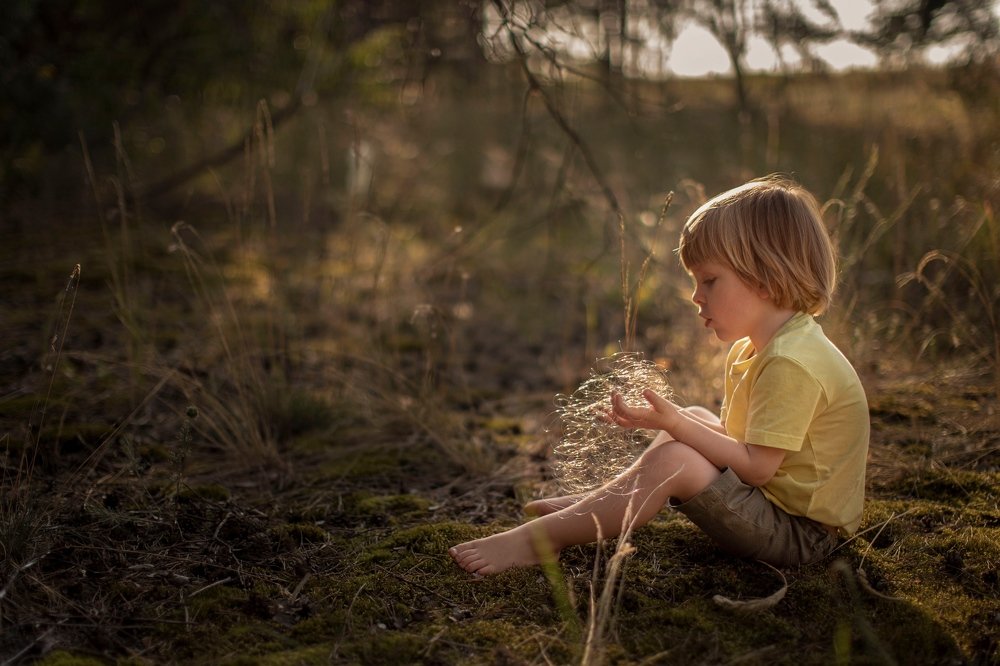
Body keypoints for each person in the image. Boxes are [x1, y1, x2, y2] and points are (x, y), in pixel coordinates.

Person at [449, 176, 870, 575]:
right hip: (775, 507)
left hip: (803, 537)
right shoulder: (758, 348)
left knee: (677, 455)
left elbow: (757, 469)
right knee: (697, 418)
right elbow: (742, 445)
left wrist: (674, 425)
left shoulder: (790, 362)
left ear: (764, 277)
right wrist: (680, 422)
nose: (695, 296)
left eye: (710, 280)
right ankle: (599, 504)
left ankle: (538, 540)